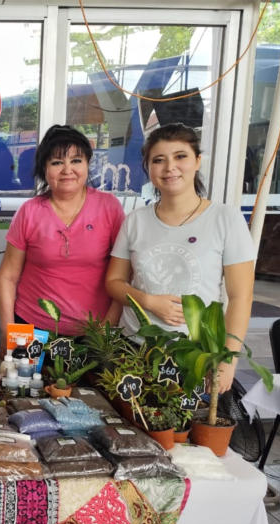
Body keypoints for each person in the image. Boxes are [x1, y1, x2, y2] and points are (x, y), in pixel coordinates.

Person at [106, 123, 254, 394]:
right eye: (158, 160)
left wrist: (227, 359)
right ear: (148, 168)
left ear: (197, 161)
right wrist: (149, 301)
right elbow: (114, 281)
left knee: (186, 434)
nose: (169, 167)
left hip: (196, 355)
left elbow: (240, 297)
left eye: (180, 156)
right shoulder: (135, 221)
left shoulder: (226, 219)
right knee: (130, 432)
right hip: (135, 349)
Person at [0, 125, 125, 339]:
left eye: (76, 161)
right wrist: (8, 332)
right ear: (44, 169)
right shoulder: (29, 212)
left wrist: (107, 327)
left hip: (95, 333)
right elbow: (8, 277)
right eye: (57, 162)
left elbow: (123, 275)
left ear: (87, 164)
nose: (67, 170)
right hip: (33, 326)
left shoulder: (109, 207)